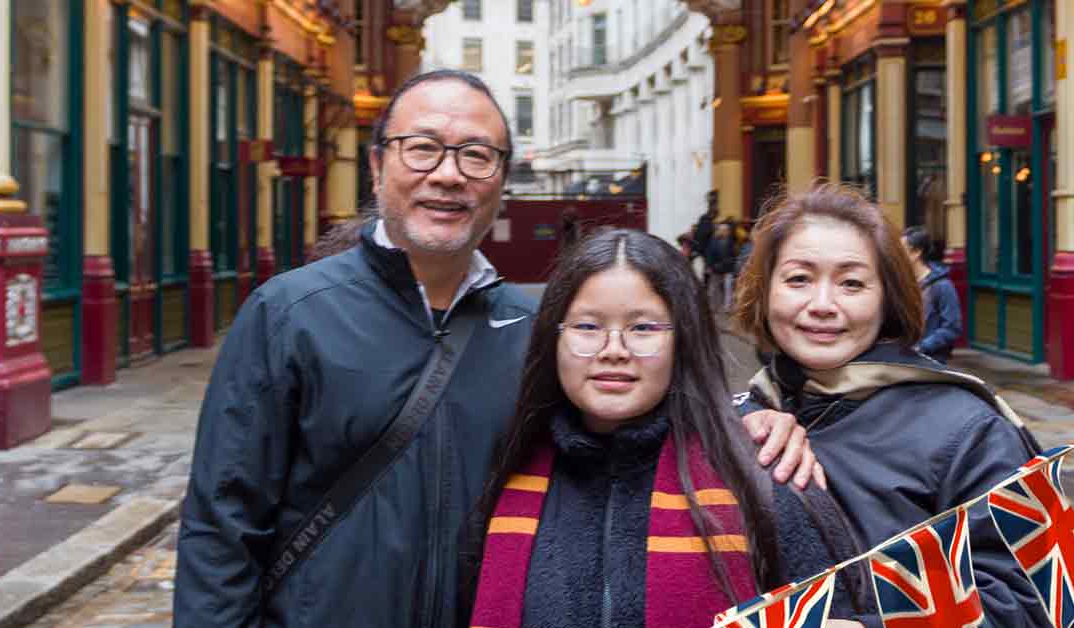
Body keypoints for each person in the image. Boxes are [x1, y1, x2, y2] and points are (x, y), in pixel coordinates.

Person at [173, 69, 815, 628]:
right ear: (377, 165)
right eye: (421, 148)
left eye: (476, 155)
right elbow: (223, 524)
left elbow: (626, 426)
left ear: (502, 178)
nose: (447, 174)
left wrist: (750, 423)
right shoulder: (289, 314)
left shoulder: (530, 326)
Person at [461, 228, 876, 628]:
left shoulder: (764, 479)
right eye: (587, 327)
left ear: (684, 341)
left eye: (643, 328)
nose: (614, 351)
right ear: (552, 338)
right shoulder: (501, 473)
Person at [731, 184, 1074, 627]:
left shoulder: (970, 431)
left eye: (851, 283)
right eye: (799, 279)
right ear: (764, 293)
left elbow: (1039, 603)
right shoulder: (738, 417)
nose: (822, 305)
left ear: (887, 301)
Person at [902, 225, 962, 363]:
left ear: (916, 253)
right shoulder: (904, 283)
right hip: (904, 359)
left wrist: (921, 347)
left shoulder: (942, 286)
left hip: (930, 361)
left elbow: (952, 328)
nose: (897, 255)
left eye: (901, 250)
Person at [706, 220, 738, 310]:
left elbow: (733, 256)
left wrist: (728, 264)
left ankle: (727, 307)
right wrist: (709, 266)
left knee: (728, 288)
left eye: (725, 230)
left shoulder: (731, 242)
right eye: (721, 230)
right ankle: (714, 305)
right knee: (714, 289)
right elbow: (709, 254)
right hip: (716, 268)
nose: (723, 232)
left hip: (727, 269)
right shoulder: (713, 241)